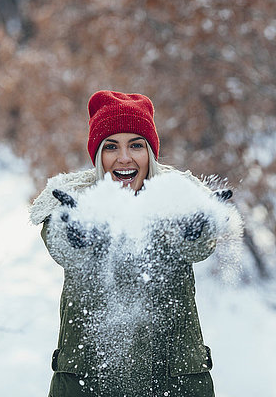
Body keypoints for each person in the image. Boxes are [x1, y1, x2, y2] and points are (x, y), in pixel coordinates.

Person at [29, 90, 238, 397]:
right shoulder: (75, 202)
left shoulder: (178, 197)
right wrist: (78, 233)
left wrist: (197, 228)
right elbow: (61, 246)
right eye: (111, 146)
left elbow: (197, 246)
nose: (124, 158)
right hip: (88, 382)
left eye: (136, 145)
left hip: (173, 381)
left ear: (150, 153)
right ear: (98, 155)